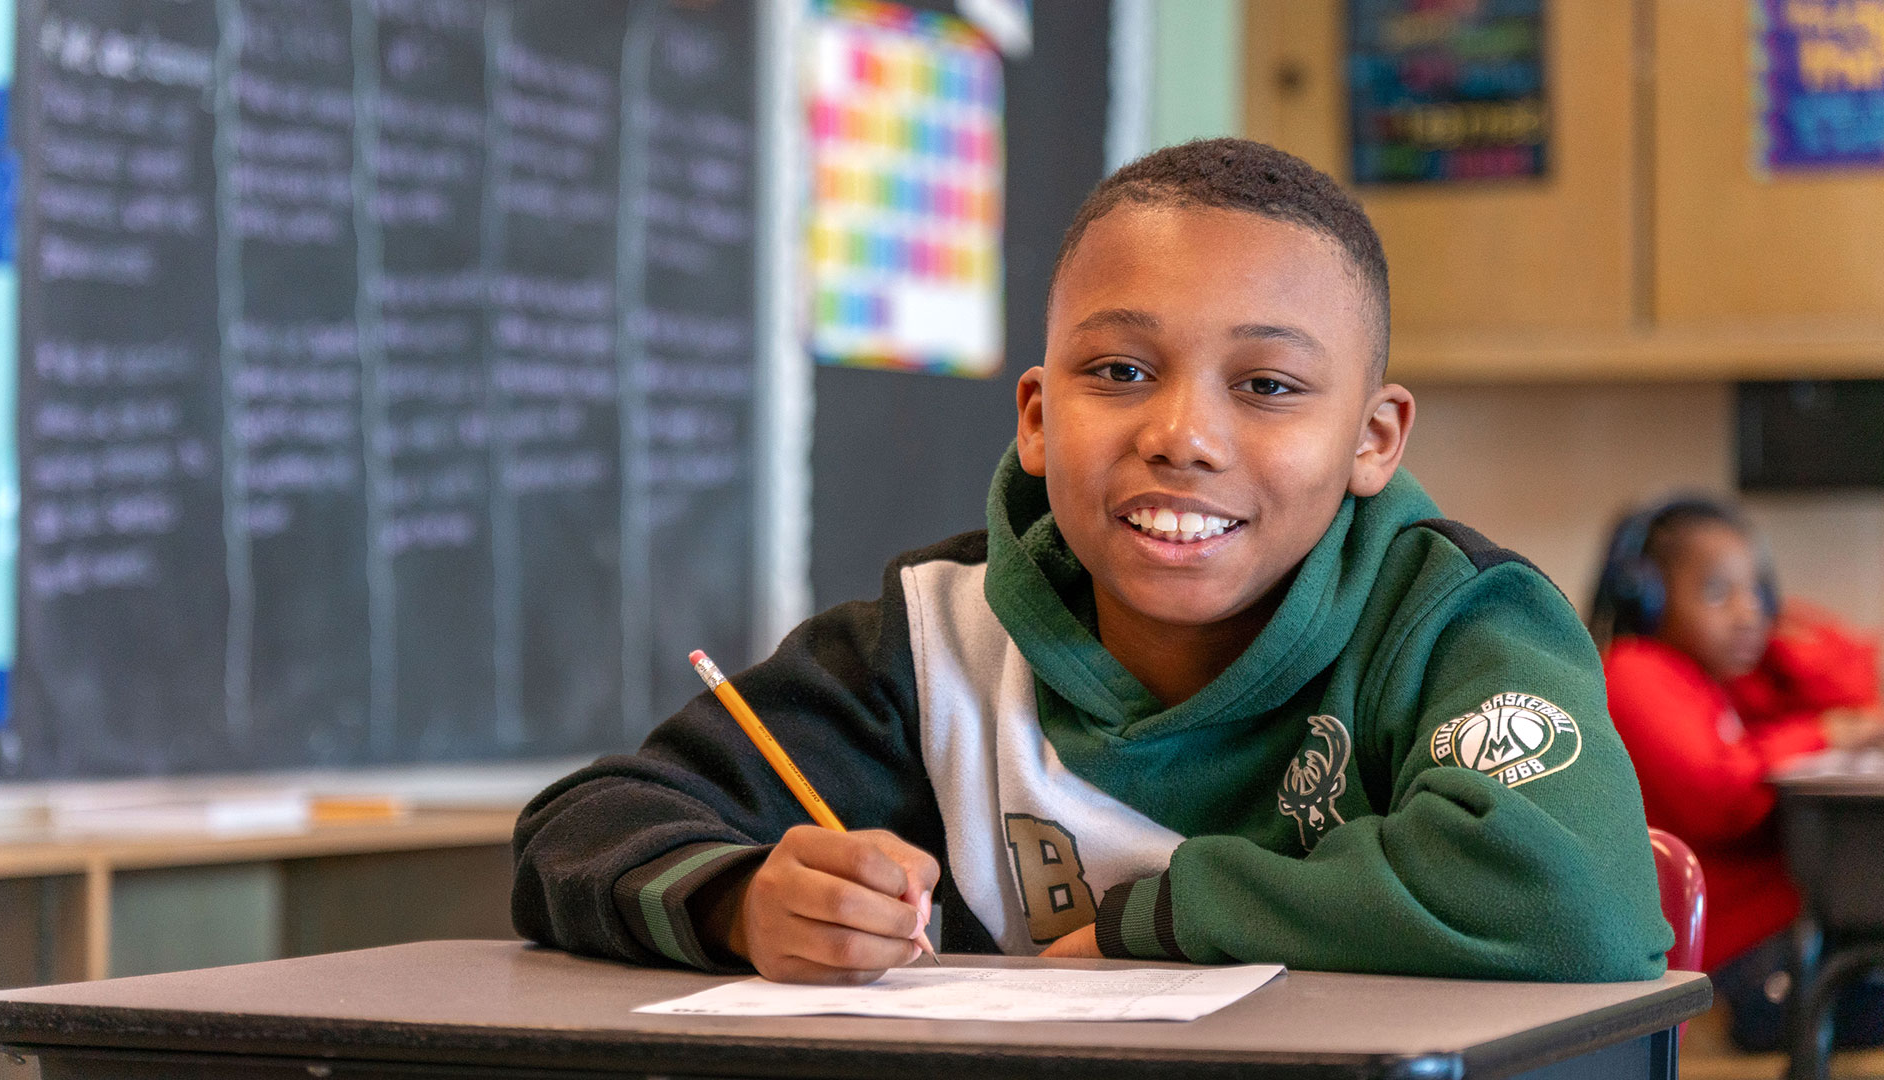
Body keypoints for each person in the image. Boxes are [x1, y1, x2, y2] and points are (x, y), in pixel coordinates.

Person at [512, 138, 1671, 985]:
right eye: (1118, 372)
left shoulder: (1453, 622)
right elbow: (586, 825)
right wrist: (739, 902)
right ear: (1034, 417)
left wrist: (1147, 921)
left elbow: (1571, 893)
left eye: (1267, 386)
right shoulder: (930, 645)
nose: (1182, 435)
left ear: (1373, 441)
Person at [1592, 497, 1883, 1048]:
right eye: (1718, 593)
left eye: (1758, 592)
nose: (1748, 611)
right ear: (1648, 600)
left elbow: (1851, 687)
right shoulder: (1636, 672)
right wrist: (1832, 733)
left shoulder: (1714, 680)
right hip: (1732, 969)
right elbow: (1723, 793)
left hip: (1783, 941)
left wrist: (1773, 633)